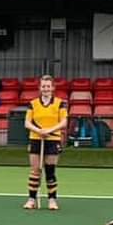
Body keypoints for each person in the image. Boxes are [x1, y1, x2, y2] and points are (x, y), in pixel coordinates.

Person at [23, 74, 67, 210]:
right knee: (35, 170)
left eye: (48, 86)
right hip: (36, 138)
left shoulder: (60, 103)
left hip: (52, 139)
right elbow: (27, 123)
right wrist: (39, 130)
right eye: (43, 86)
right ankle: (31, 199)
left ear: (53, 88)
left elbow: (64, 122)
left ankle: (52, 200)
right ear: (40, 88)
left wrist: (49, 130)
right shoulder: (33, 103)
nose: (46, 89)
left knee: (50, 170)